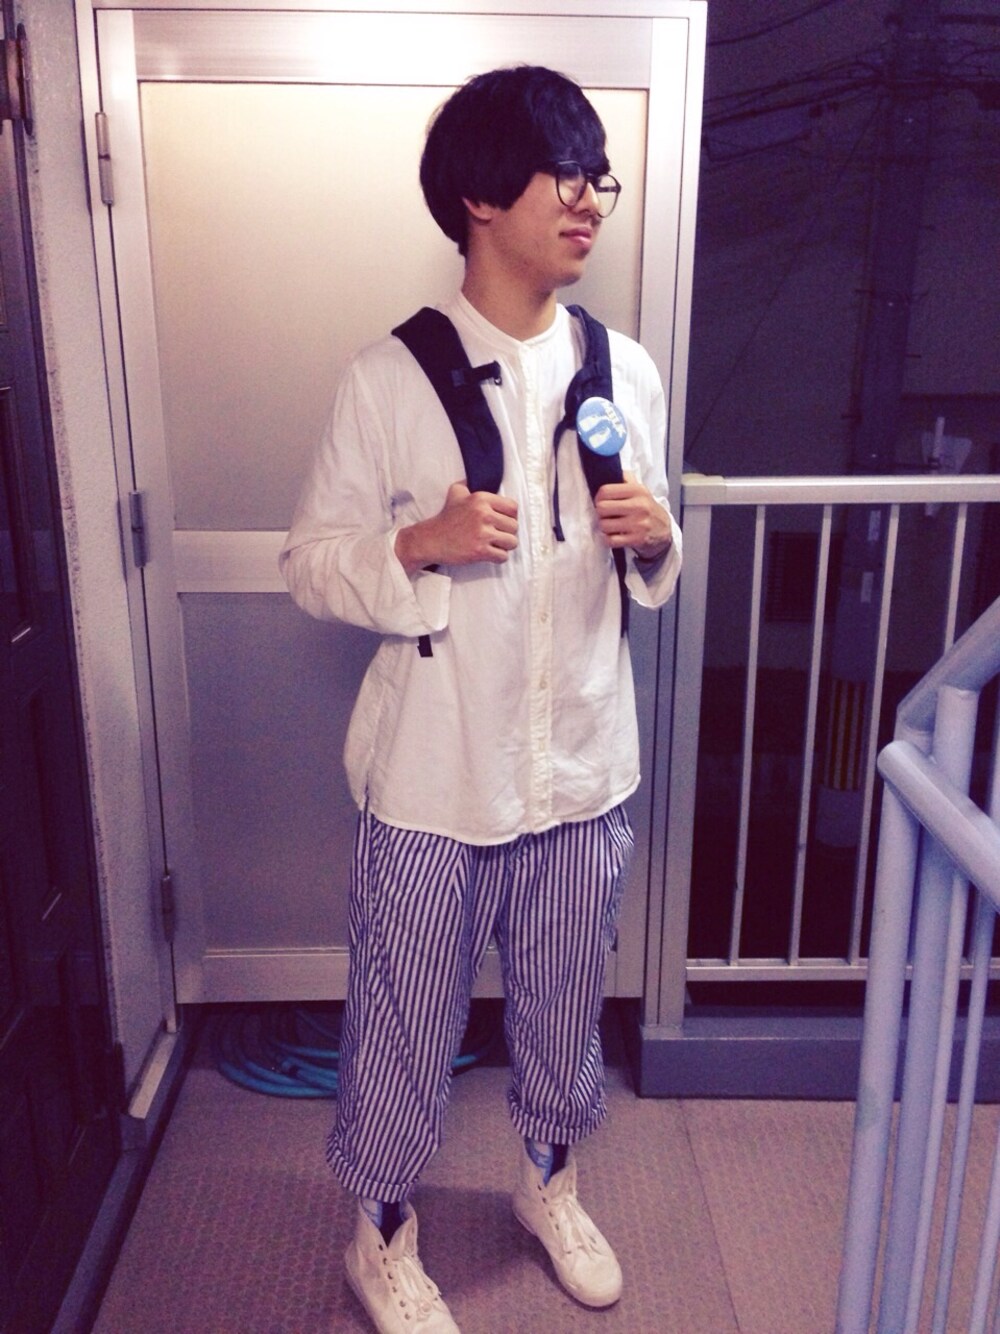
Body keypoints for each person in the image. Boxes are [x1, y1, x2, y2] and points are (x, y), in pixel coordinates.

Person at [280, 64, 682, 1334]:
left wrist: (657, 536)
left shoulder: (626, 370)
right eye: (563, 173)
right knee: (404, 1022)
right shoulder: (387, 378)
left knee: (563, 1009)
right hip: (431, 775)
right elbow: (309, 563)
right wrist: (418, 543)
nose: (588, 198)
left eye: (597, 174)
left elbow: (649, 554)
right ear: (478, 197)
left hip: (582, 764)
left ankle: (548, 1183)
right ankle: (381, 1233)